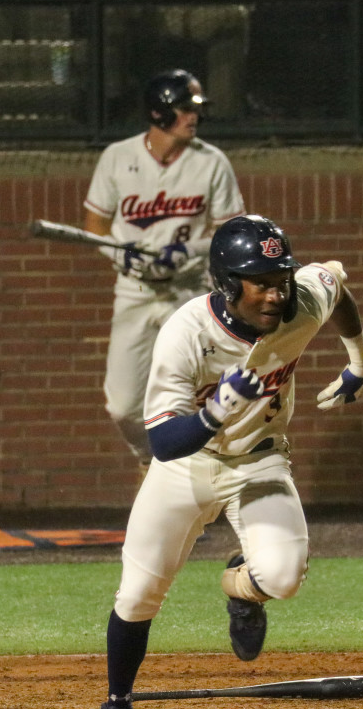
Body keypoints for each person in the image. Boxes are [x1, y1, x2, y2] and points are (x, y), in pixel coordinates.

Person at [82, 214, 363, 709]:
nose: (275, 293)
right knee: (139, 594)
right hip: (184, 469)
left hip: (259, 462)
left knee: (283, 577)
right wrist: (218, 412)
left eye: (280, 279)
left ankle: (241, 589)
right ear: (225, 282)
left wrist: (359, 361)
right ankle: (116, 705)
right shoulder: (186, 333)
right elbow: (164, 444)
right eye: (260, 282)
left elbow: (335, 284)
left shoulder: (300, 300)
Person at [83, 68, 245, 467]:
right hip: (136, 292)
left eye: (196, 109)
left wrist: (189, 249)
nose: (194, 117)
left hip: (187, 291)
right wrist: (121, 254)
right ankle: (148, 457)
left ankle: (190, 482)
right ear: (159, 114)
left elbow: (229, 228)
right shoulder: (118, 157)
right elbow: (95, 226)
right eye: (185, 109)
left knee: (191, 392)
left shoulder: (211, 162)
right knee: (122, 406)